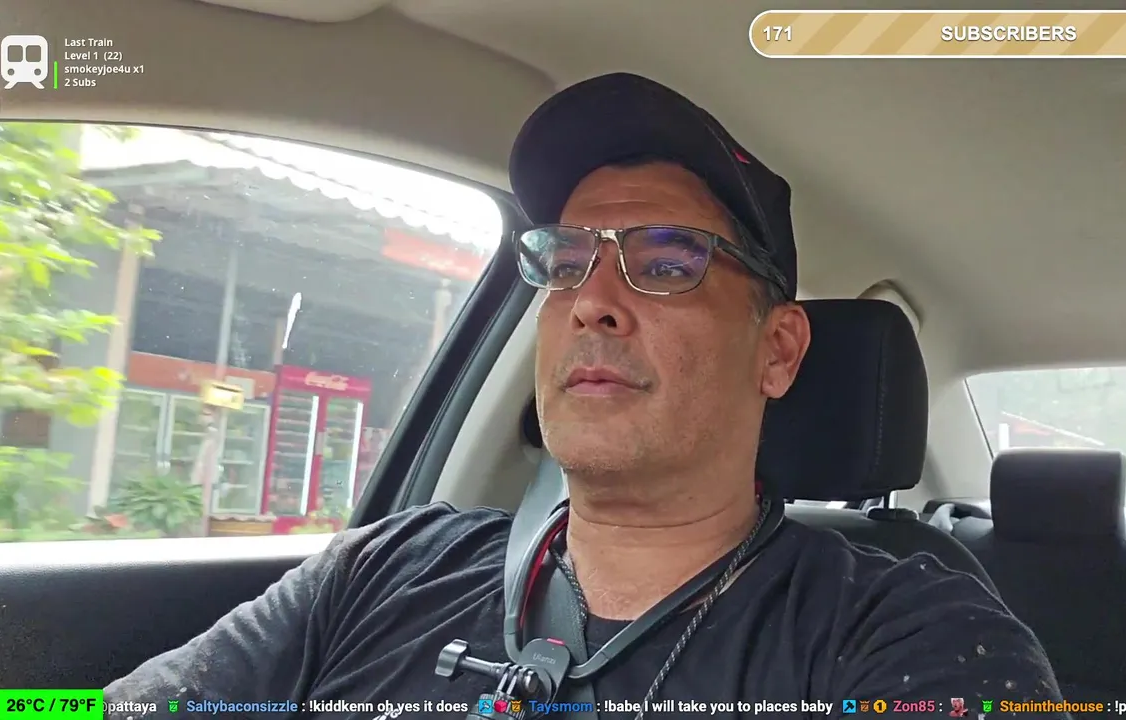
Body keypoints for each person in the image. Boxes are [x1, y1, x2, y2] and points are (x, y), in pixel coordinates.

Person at [105, 73, 1066, 719]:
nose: (591, 301)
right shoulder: (382, 570)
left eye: (668, 262)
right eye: (565, 262)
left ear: (777, 352)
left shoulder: (907, 635)